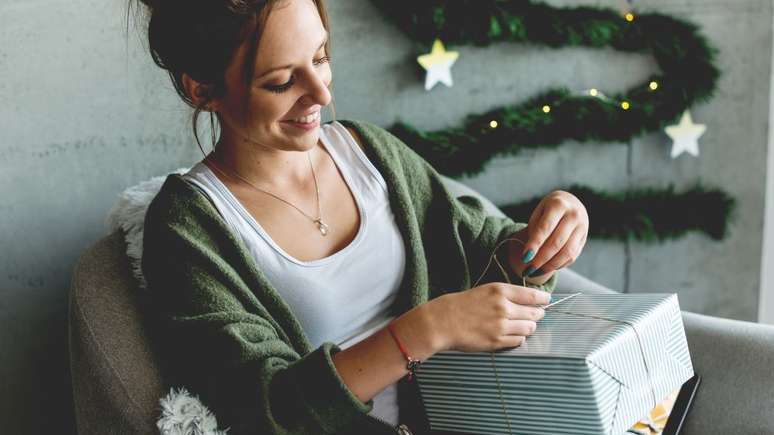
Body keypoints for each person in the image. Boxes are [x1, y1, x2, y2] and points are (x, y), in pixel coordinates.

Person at [135, 0, 589, 434]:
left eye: (321, 57)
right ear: (203, 88)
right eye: (280, 82)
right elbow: (265, 411)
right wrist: (423, 331)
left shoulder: (369, 154)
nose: (321, 93)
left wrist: (542, 240)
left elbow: (485, 251)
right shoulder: (186, 230)